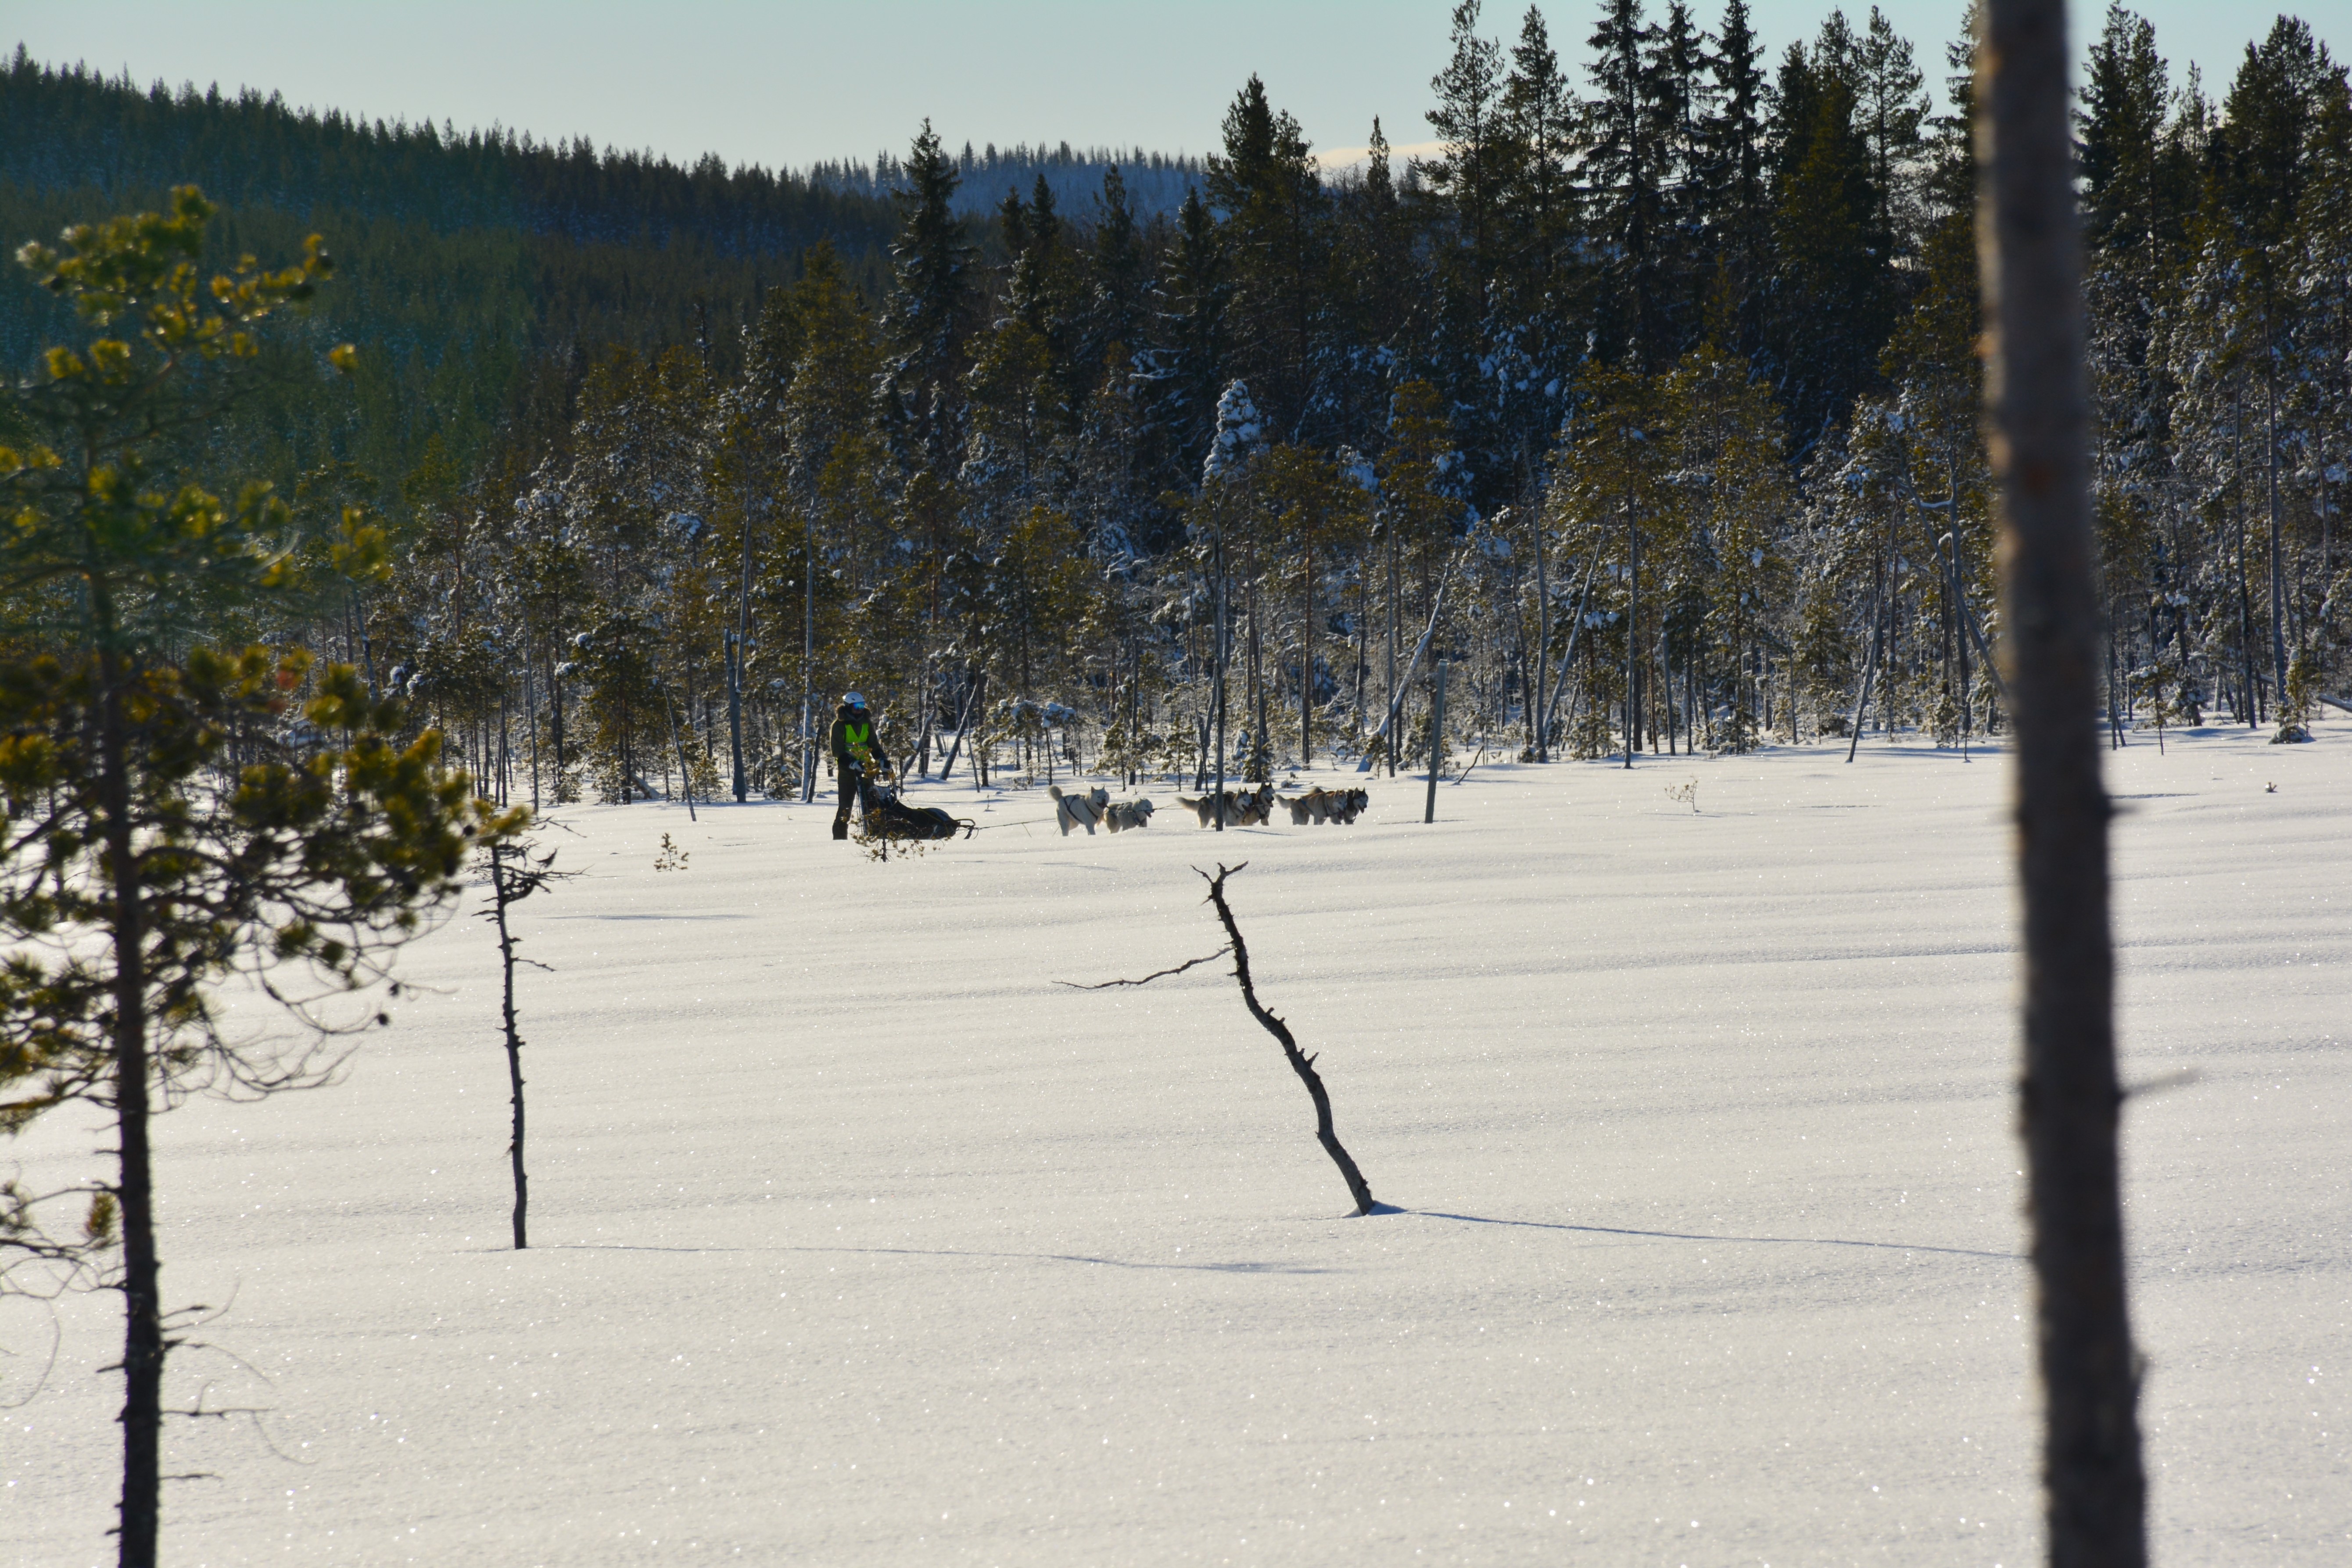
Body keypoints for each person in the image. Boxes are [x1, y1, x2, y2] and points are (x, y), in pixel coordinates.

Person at [828, 692, 891, 840]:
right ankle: (839, 840)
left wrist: (882, 759)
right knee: (845, 810)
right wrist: (851, 763)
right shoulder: (839, 725)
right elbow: (837, 752)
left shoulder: (867, 723)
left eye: (862, 705)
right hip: (847, 774)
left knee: (872, 808)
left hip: (866, 771)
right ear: (849, 707)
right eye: (857, 706)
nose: (860, 709)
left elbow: (874, 745)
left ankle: (875, 838)